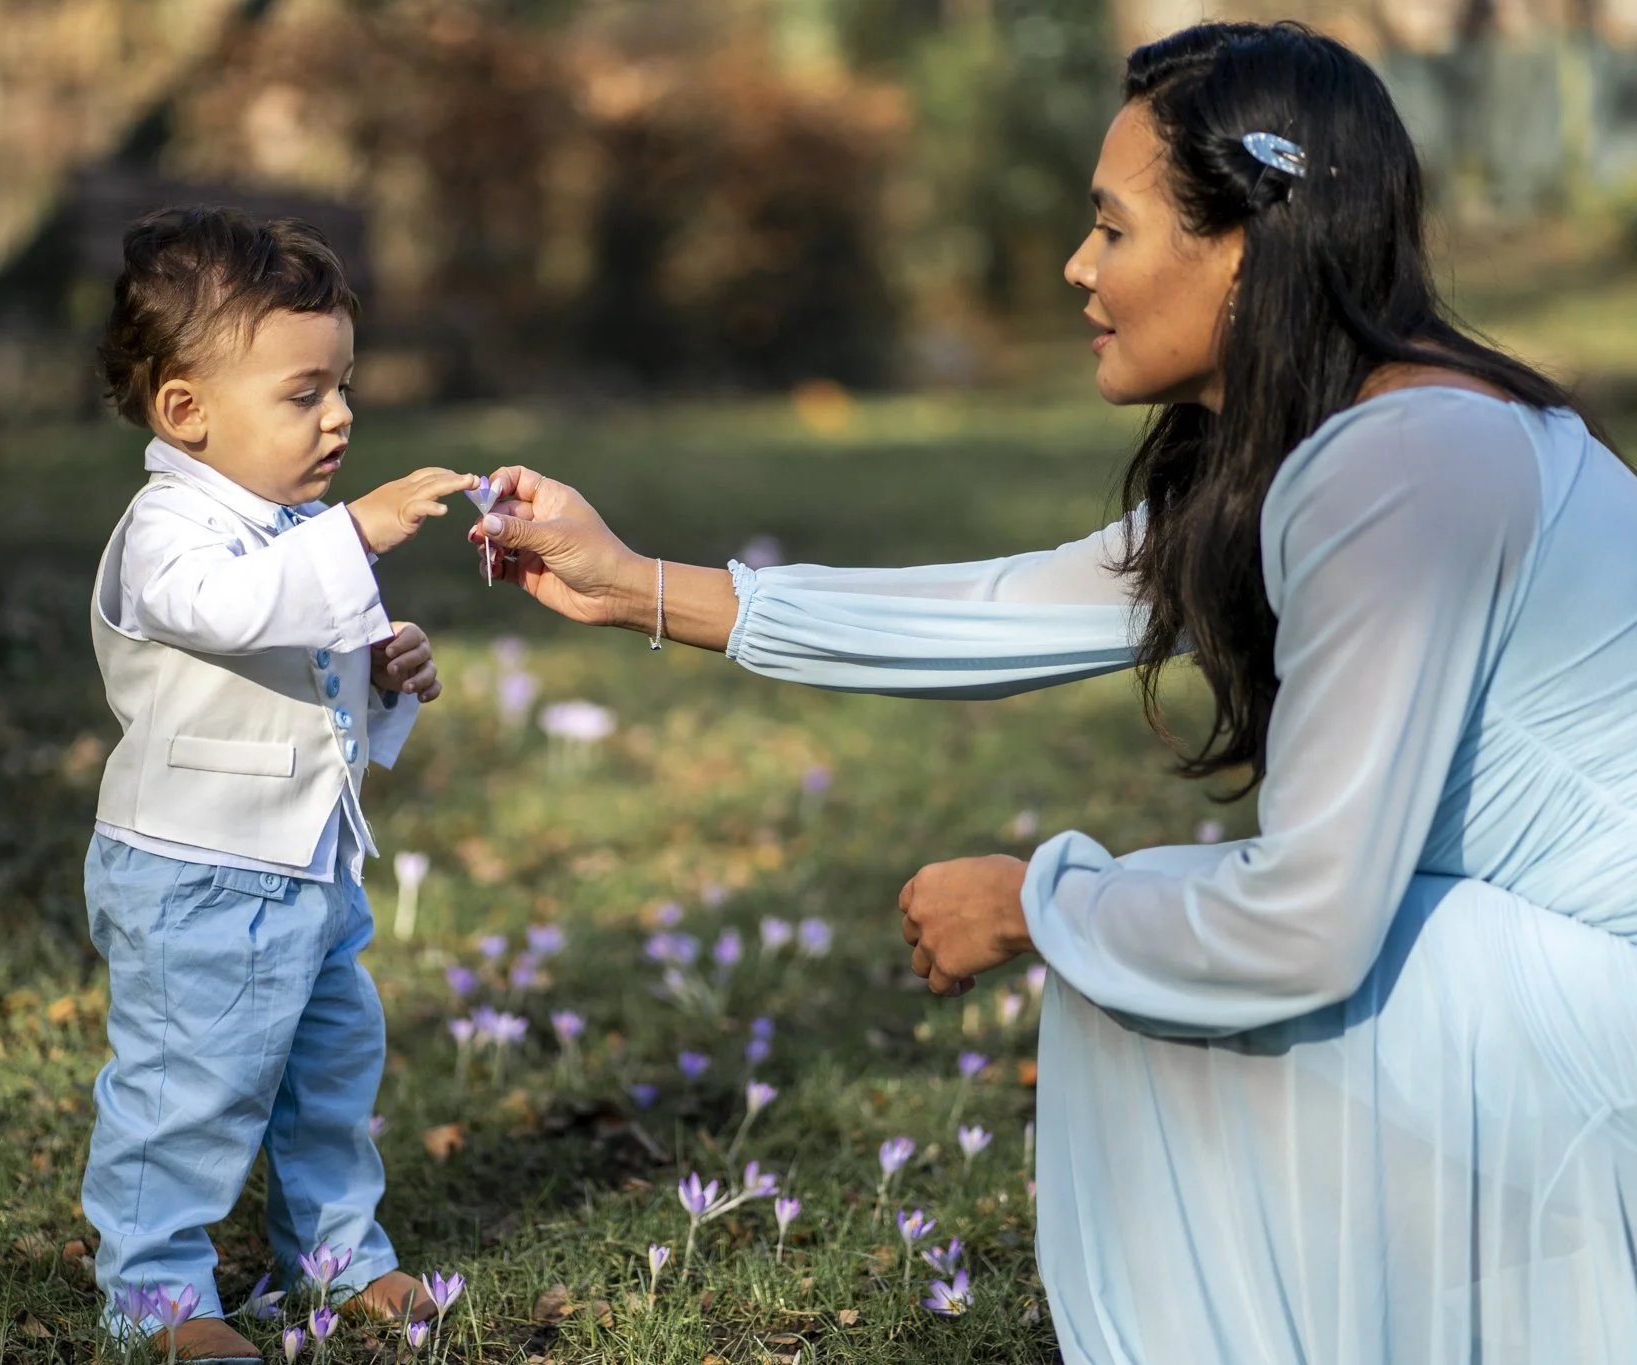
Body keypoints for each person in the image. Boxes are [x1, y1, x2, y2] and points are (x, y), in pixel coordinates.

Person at [469, 23, 1637, 1363]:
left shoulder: (1412, 463)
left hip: (1605, 1003)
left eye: (1113, 229)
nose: (1079, 268)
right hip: (1565, 981)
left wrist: (1038, 898)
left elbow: (1309, 925)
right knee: (1145, 934)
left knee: (1132, 952)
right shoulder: (1351, 436)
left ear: (1247, 247)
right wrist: (634, 587)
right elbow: (1013, 606)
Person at [82, 206, 474, 1360]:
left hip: (310, 870)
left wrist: (383, 669)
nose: (340, 414)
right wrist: (354, 535)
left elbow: (303, 655)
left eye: (342, 387)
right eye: (303, 394)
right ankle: (155, 1295)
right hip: (197, 877)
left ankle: (337, 1256)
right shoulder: (168, 530)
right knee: (185, 1091)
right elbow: (221, 610)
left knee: (328, 1077)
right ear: (184, 412)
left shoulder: (291, 523)